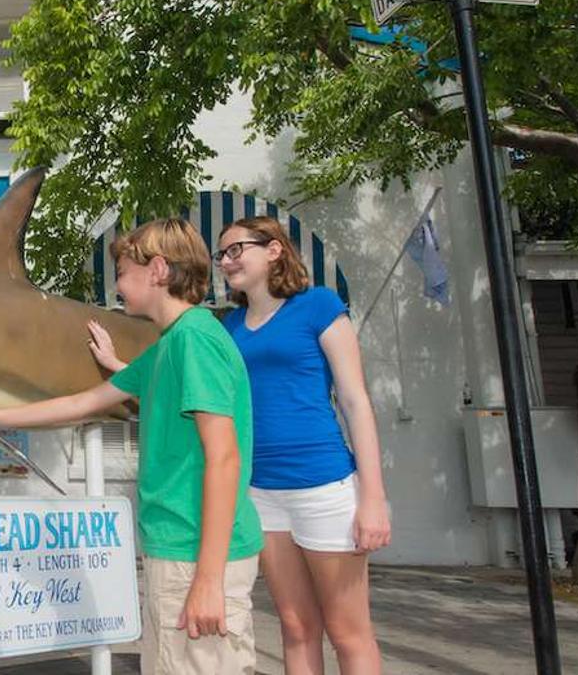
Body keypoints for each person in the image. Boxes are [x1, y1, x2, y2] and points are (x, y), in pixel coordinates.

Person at [90, 216, 388, 675]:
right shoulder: (225, 328)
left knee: (348, 632)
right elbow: (183, 385)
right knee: (295, 625)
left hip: (322, 483)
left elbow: (354, 400)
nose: (226, 261)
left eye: (236, 249)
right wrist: (117, 365)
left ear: (274, 250)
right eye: (221, 254)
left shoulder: (318, 306)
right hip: (259, 492)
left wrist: (373, 497)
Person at [0, 218, 263, 675]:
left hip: (196, 554)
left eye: (124, 272)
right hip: (176, 550)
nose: (118, 286)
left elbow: (224, 458)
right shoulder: (170, 346)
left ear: (158, 270)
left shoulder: (195, 342)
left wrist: (208, 578)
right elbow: (83, 403)